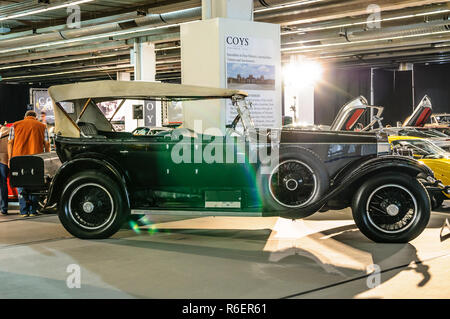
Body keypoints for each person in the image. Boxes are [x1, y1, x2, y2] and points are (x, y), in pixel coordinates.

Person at [8, 110, 50, 217]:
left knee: (21, 184)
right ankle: (33, 211)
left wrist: (10, 159)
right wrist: (46, 157)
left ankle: (23, 211)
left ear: (25, 116)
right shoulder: (42, 126)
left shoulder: (15, 125)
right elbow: (47, 143)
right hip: (36, 159)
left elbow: (10, 142)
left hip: (18, 159)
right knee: (34, 183)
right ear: (35, 117)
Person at [0, 124, 9, 215]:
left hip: (3, 160)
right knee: (3, 183)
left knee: (3, 183)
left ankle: (3, 208)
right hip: (4, 160)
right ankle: (3, 207)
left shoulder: (6, 131)